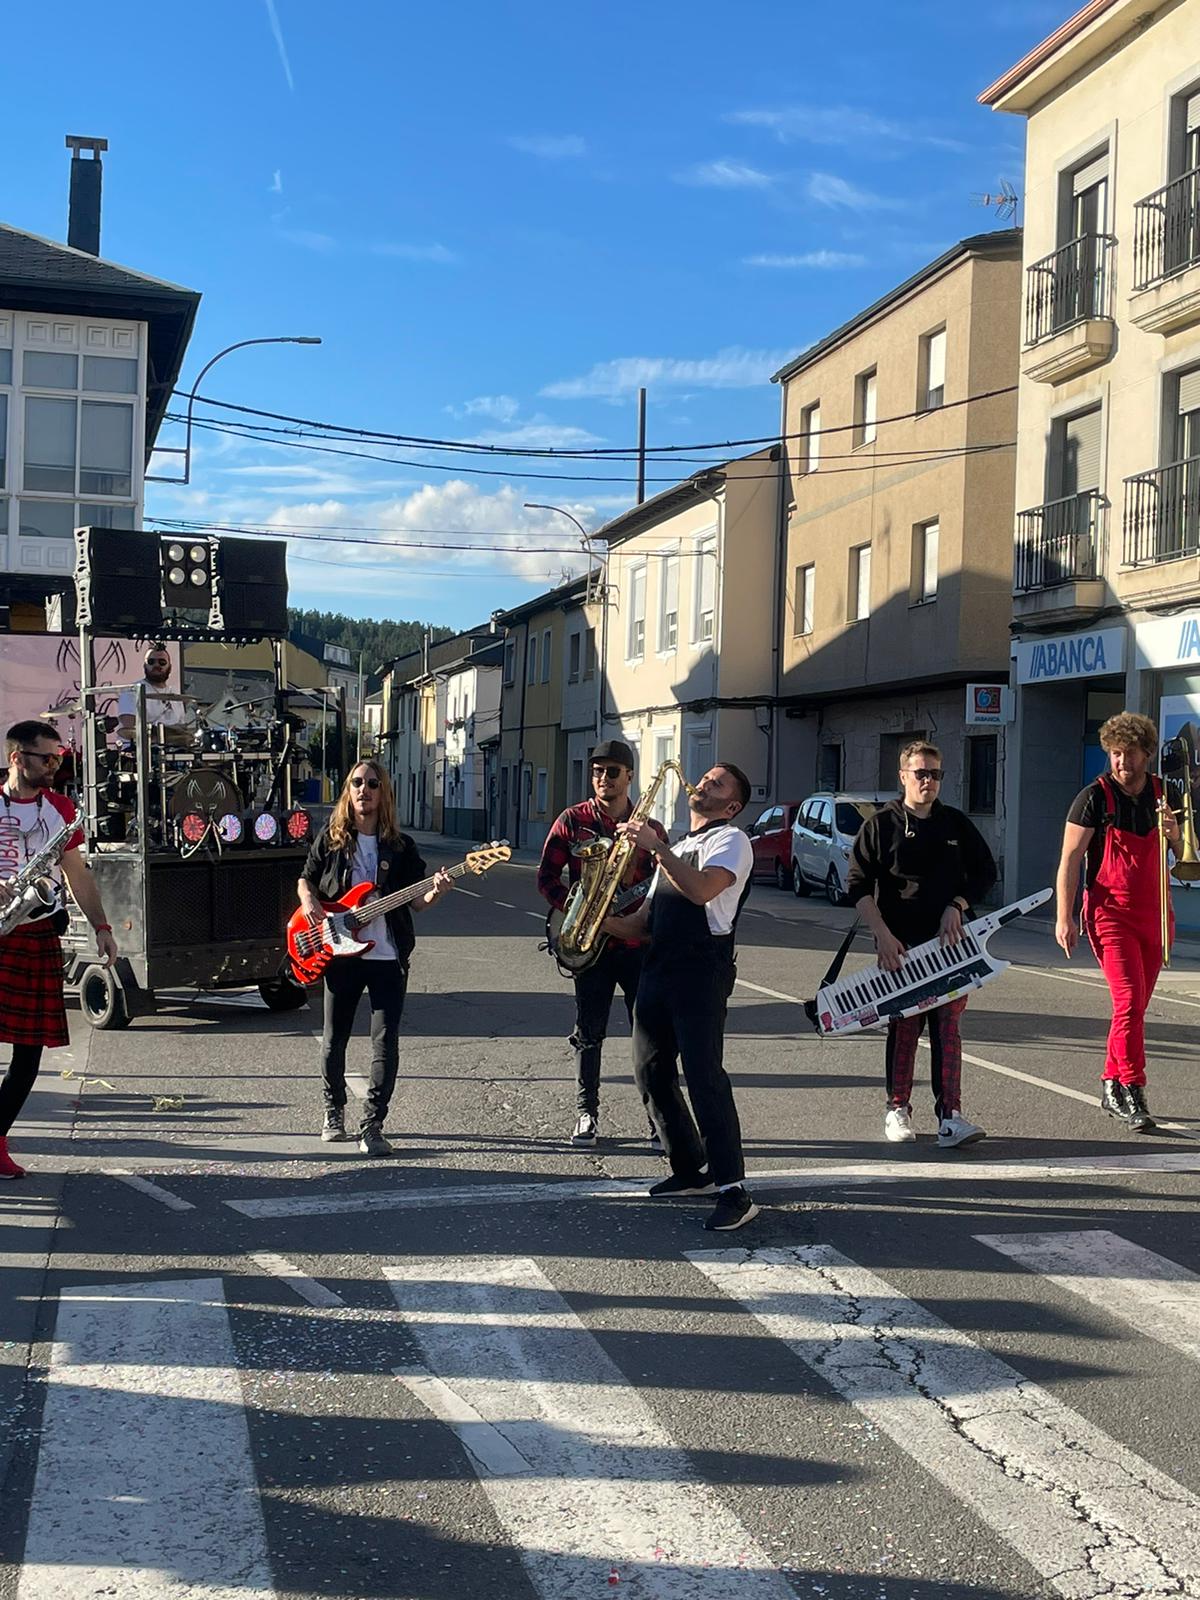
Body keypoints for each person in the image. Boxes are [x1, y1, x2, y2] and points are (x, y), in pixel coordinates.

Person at [604, 762, 757, 1232]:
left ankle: (733, 1188)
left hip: (701, 968)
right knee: (649, 1070)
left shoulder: (729, 841)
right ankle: (690, 1169)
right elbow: (646, 921)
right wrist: (591, 920)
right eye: (705, 777)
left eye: (717, 783)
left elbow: (702, 890)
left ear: (731, 805)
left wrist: (658, 849)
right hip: (660, 967)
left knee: (704, 1075)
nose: (704, 783)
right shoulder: (682, 846)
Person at [846, 740, 998, 1149]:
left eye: (935, 774)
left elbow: (986, 872)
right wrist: (881, 933)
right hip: (900, 947)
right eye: (921, 773)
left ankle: (951, 1117)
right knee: (905, 1026)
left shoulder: (955, 824)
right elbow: (858, 885)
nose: (928, 781)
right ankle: (897, 1109)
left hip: (950, 947)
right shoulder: (879, 825)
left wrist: (958, 904)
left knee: (949, 1030)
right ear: (903, 777)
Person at [298, 759, 453, 1157]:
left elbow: (417, 903)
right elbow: (305, 878)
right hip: (340, 952)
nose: (363, 790)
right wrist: (310, 900)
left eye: (372, 783)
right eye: (356, 783)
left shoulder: (401, 848)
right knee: (335, 1039)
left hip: (386, 956)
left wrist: (437, 889)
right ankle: (334, 1111)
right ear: (348, 791)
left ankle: (373, 1123)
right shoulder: (332, 840)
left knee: (385, 1042)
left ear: (384, 793)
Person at [0, 720, 118, 1180]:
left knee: (28, 1054)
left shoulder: (60, 809)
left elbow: (77, 873)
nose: (54, 766)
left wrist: (102, 927)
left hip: (36, 931)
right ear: (17, 757)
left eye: (59, 759)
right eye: (46, 758)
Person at [537, 740, 669, 1147]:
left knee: (647, 1034)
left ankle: (657, 1117)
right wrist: (579, 913)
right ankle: (586, 1113)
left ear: (630, 776)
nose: (603, 779)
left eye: (613, 772)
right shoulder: (572, 820)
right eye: (597, 771)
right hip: (591, 947)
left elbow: (665, 884)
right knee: (589, 1030)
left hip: (636, 946)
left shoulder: (651, 828)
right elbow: (546, 878)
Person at [1055, 712, 1178, 1133]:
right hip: (1110, 914)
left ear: (1147, 753)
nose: (1122, 761)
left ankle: (1111, 1081)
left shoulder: (1164, 794)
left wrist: (1176, 835)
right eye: (1115, 754)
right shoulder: (1094, 797)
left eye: (1130, 753)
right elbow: (1070, 860)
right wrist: (1064, 917)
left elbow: (1183, 857)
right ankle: (1132, 1088)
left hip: (1156, 914)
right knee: (1127, 1003)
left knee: (1136, 1010)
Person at [116, 645, 190, 740]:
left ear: (170, 667)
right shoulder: (132, 691)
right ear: (145, 666)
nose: (156, 665)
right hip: (141, 749)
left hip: (170, 747)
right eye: (151, 662)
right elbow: (129, 728)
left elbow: (181, 728)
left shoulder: (175, 693)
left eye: (162, 662)